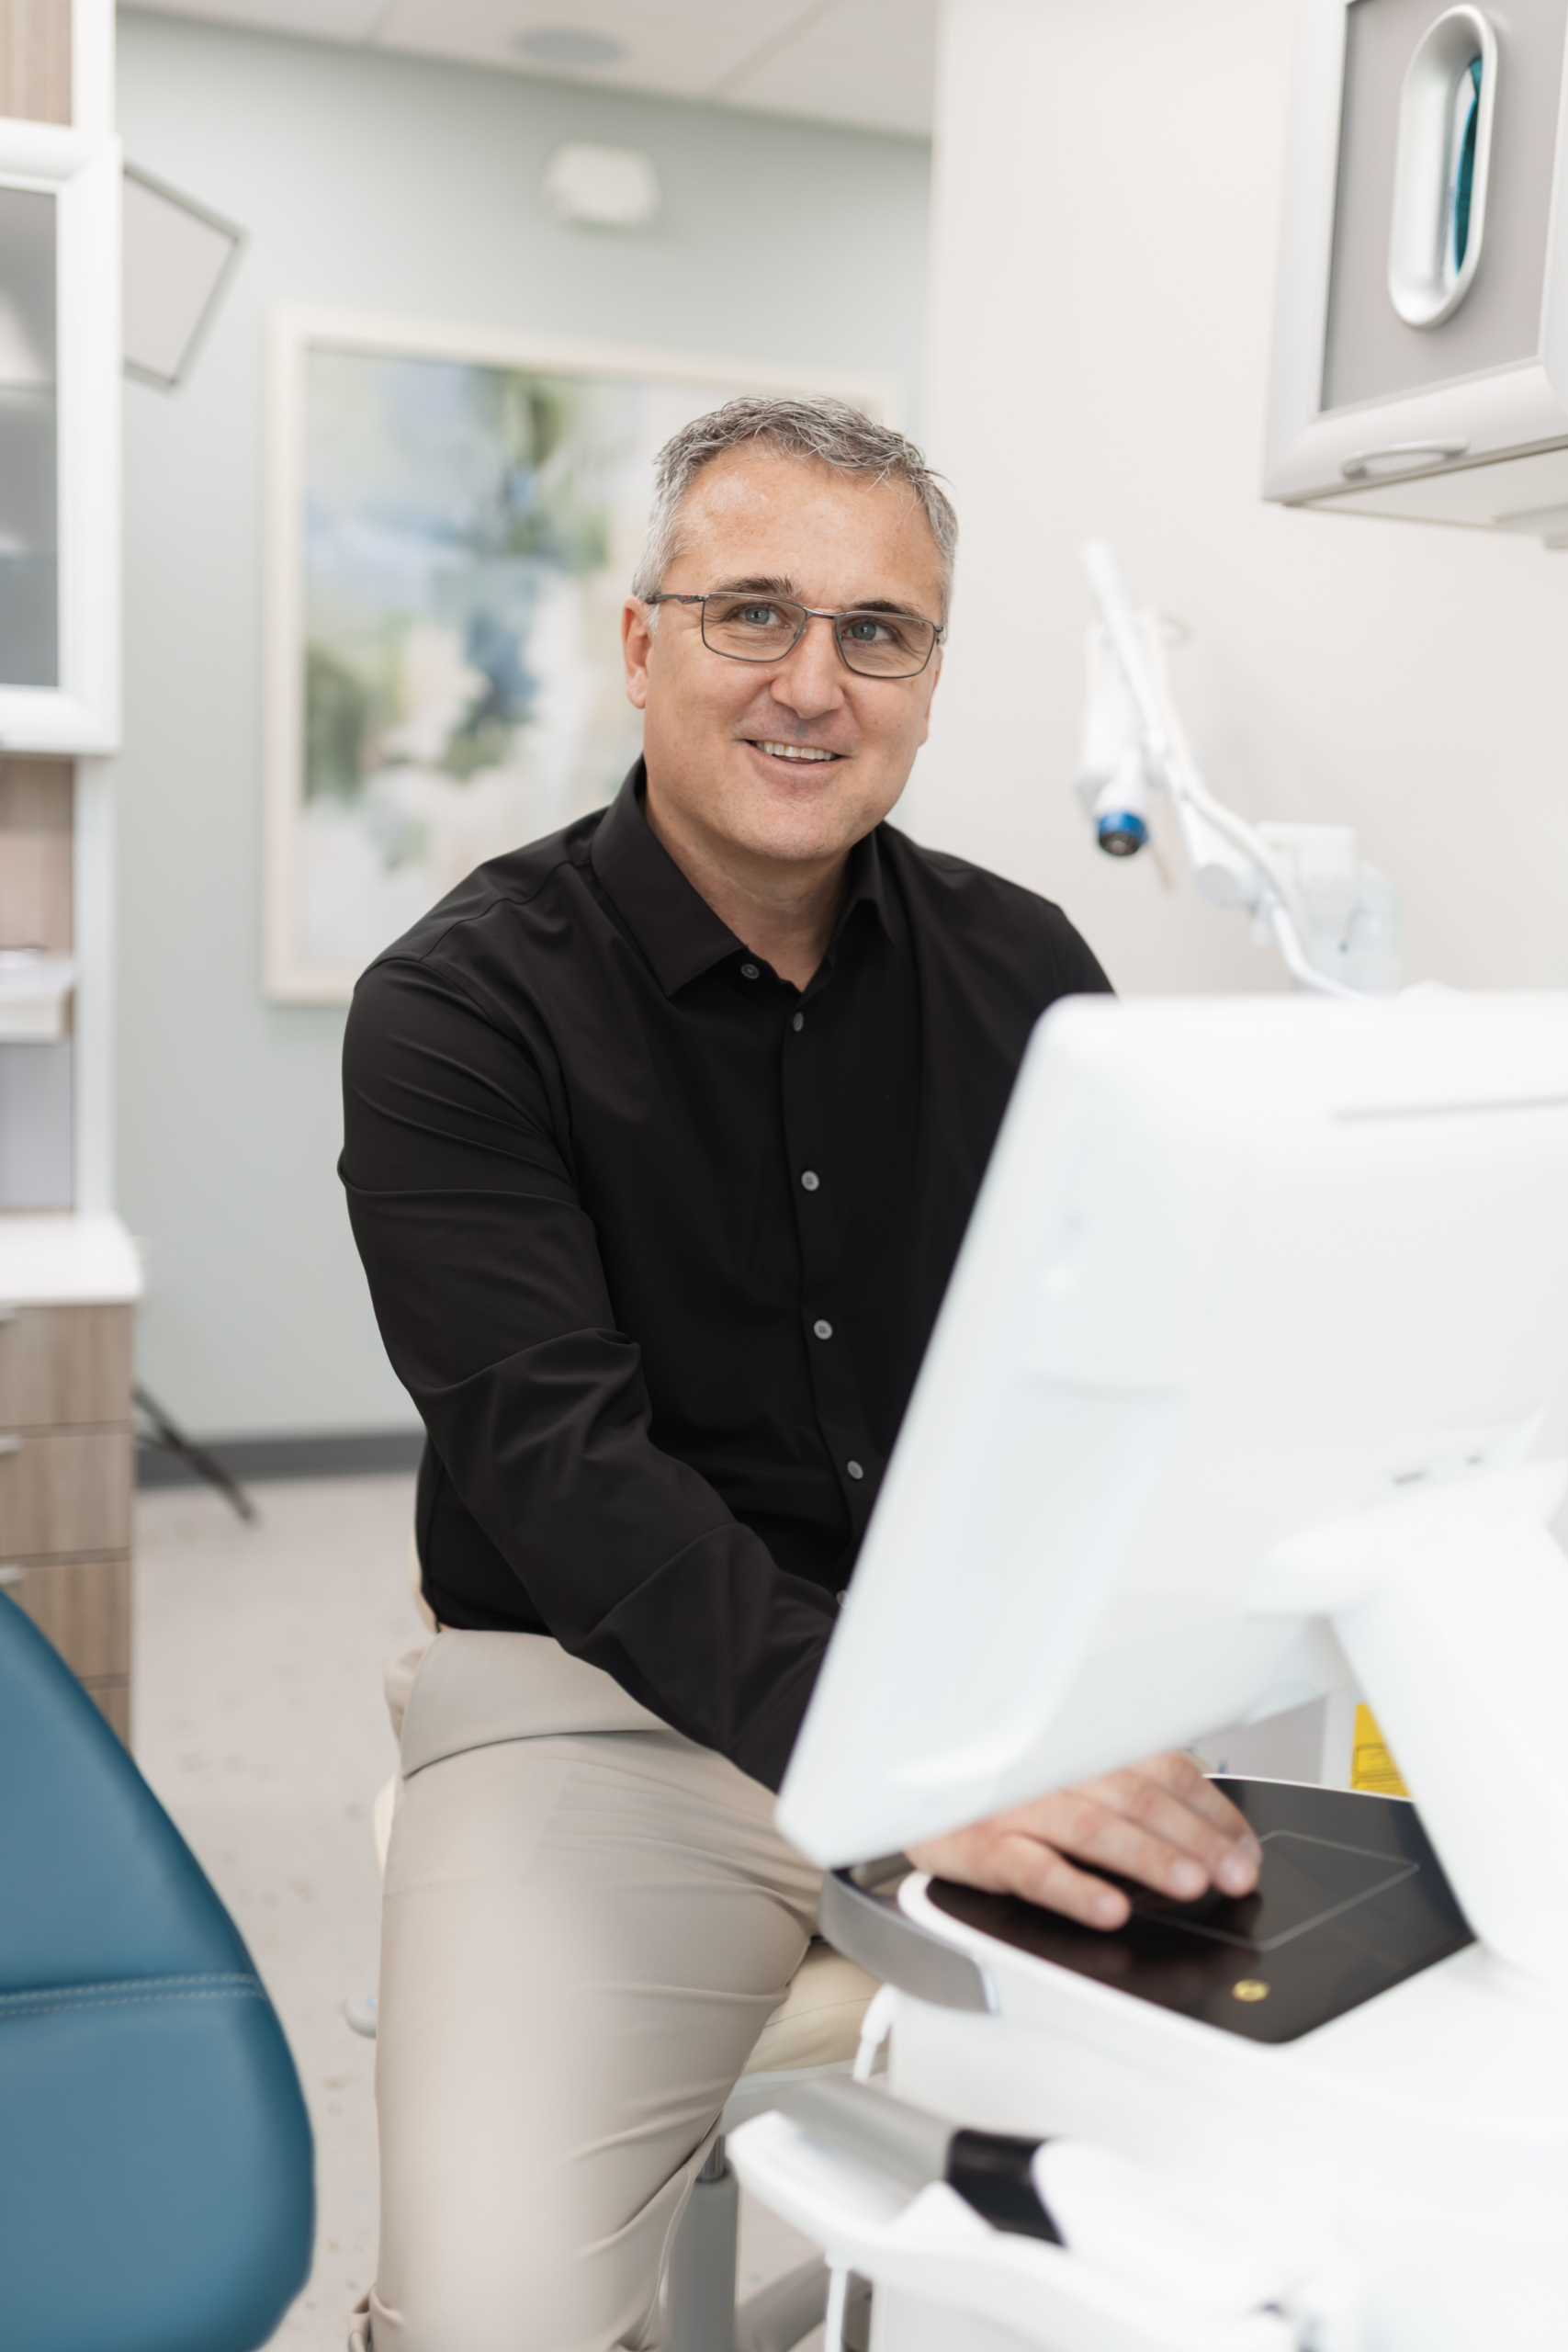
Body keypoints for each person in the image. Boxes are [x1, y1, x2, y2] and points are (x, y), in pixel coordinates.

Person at [340, 397, 1260, 2352]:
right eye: (753, 611)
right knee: (492, 2319)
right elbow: (559, 1469)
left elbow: (1106, 1386)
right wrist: (905, 1762)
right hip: (588, 1710)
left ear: (928, 674)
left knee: (1235, 2199)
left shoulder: (1027, 977)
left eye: (878, 631)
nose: (812, 684)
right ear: (642, 639)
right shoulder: (458, 1007)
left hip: (962, 1678)